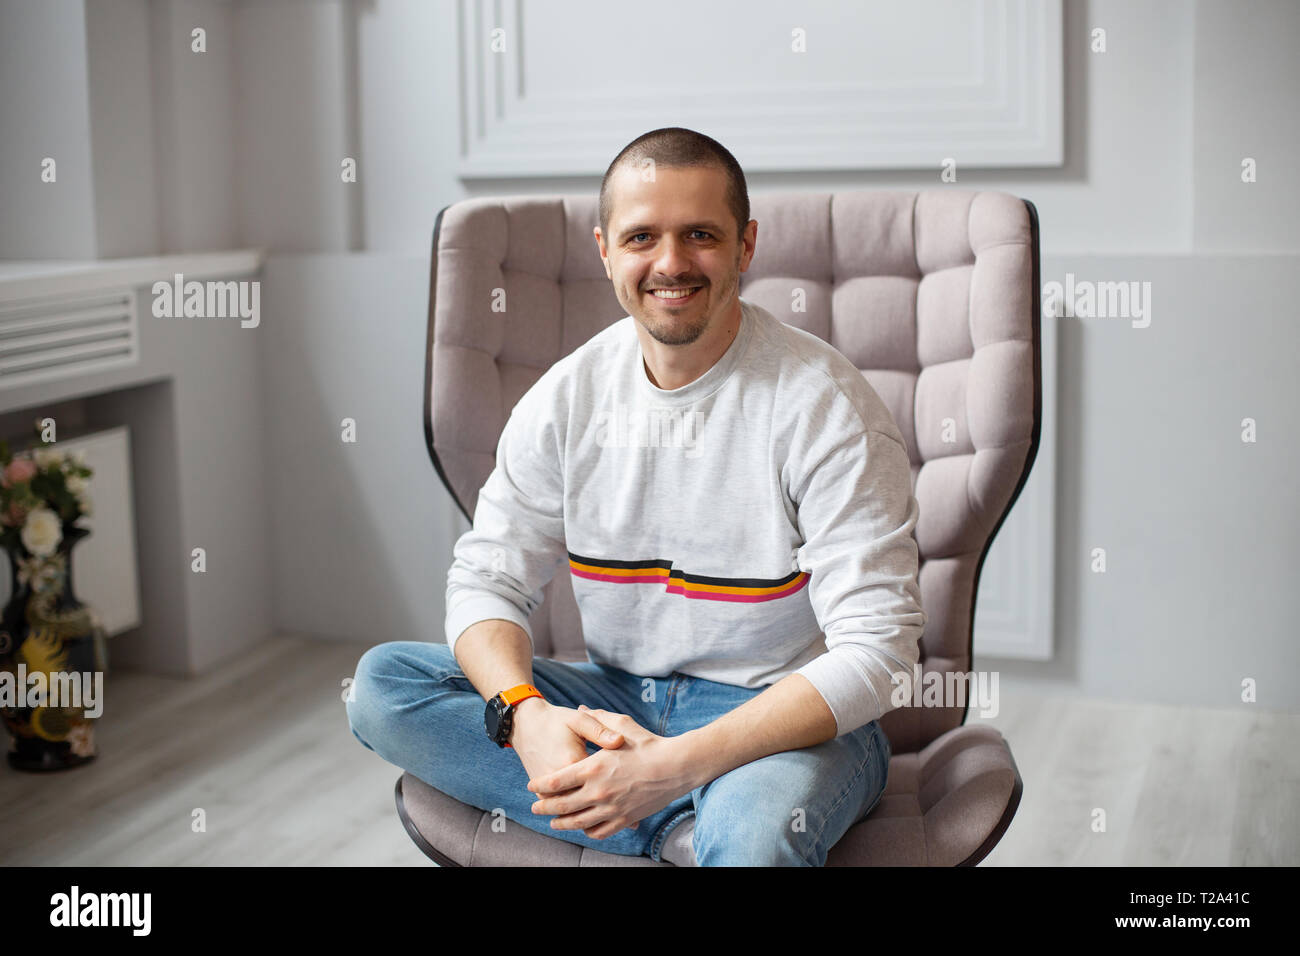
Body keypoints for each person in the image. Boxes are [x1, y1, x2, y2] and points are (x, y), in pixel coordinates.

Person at [347, 126, 926, 866]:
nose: (671, 263)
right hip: (618, 700)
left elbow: (881, 654)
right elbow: (487, 577)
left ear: (746, 247)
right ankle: (673, 825)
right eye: (642, 236)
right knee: (383, 686)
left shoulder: (825, 406)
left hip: (776, 718)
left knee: (753, 842)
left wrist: (672, 765)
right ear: (605, 251)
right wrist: (524, 718)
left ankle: (672, 805)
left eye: (701, 235)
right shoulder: (566, 397)